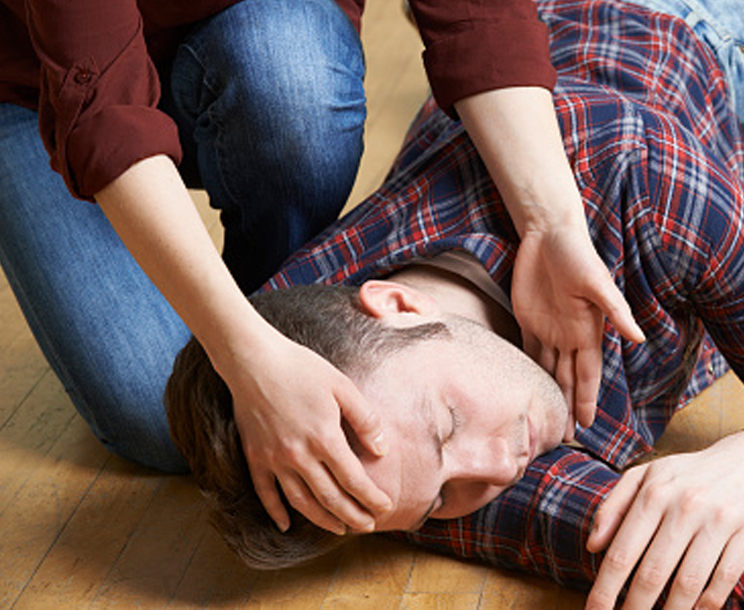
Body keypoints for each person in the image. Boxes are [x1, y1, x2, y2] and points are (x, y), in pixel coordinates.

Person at [164, 0, 744, 605]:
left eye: (452, 426)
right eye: (442, 500)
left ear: (396, 305)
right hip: (665, 181)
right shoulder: (363, 458)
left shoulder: (641, 180)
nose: (495, 473)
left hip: (693, 54)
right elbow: (629, 540)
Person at [0, 0, 642, 538]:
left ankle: (285, 332)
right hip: (31, 81)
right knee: (159, 410)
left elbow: (474, 15)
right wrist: (241, 354)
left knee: (293, 90)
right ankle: (267, 363)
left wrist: (550, 223)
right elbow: (102, 109)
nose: (500, 469)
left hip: (255, 27)